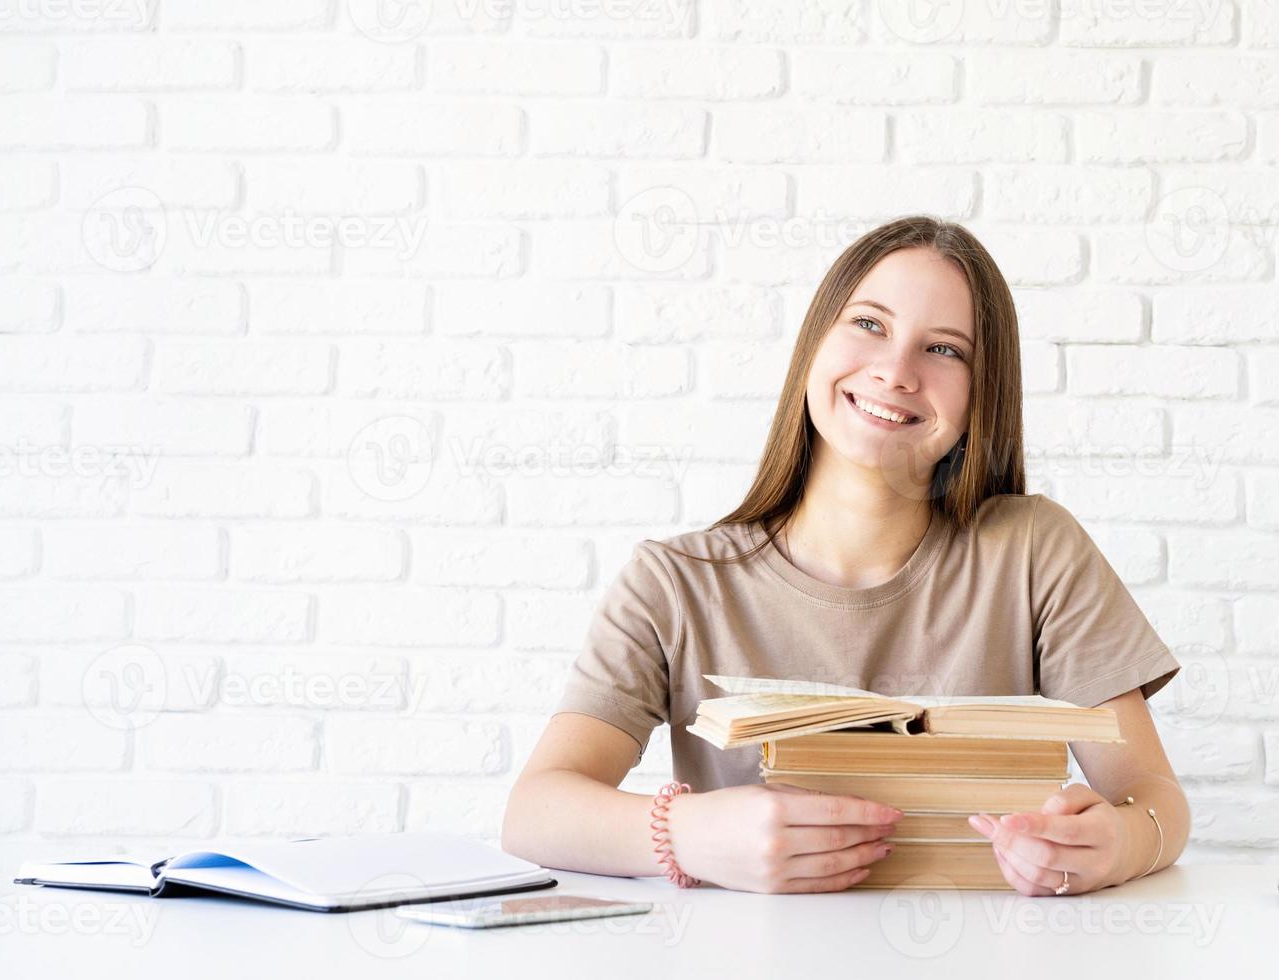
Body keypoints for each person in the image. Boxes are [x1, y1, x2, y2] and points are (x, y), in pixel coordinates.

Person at [502, 215, 1190, 896]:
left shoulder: (1034, 551)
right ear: (813, 344)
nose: (895, 371)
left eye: (944, 349)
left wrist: (1117, 845)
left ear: (983, 391)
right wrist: (687, 834)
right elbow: (534, 813)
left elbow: (1152, 797)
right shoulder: (674, 585)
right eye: (869, 324)